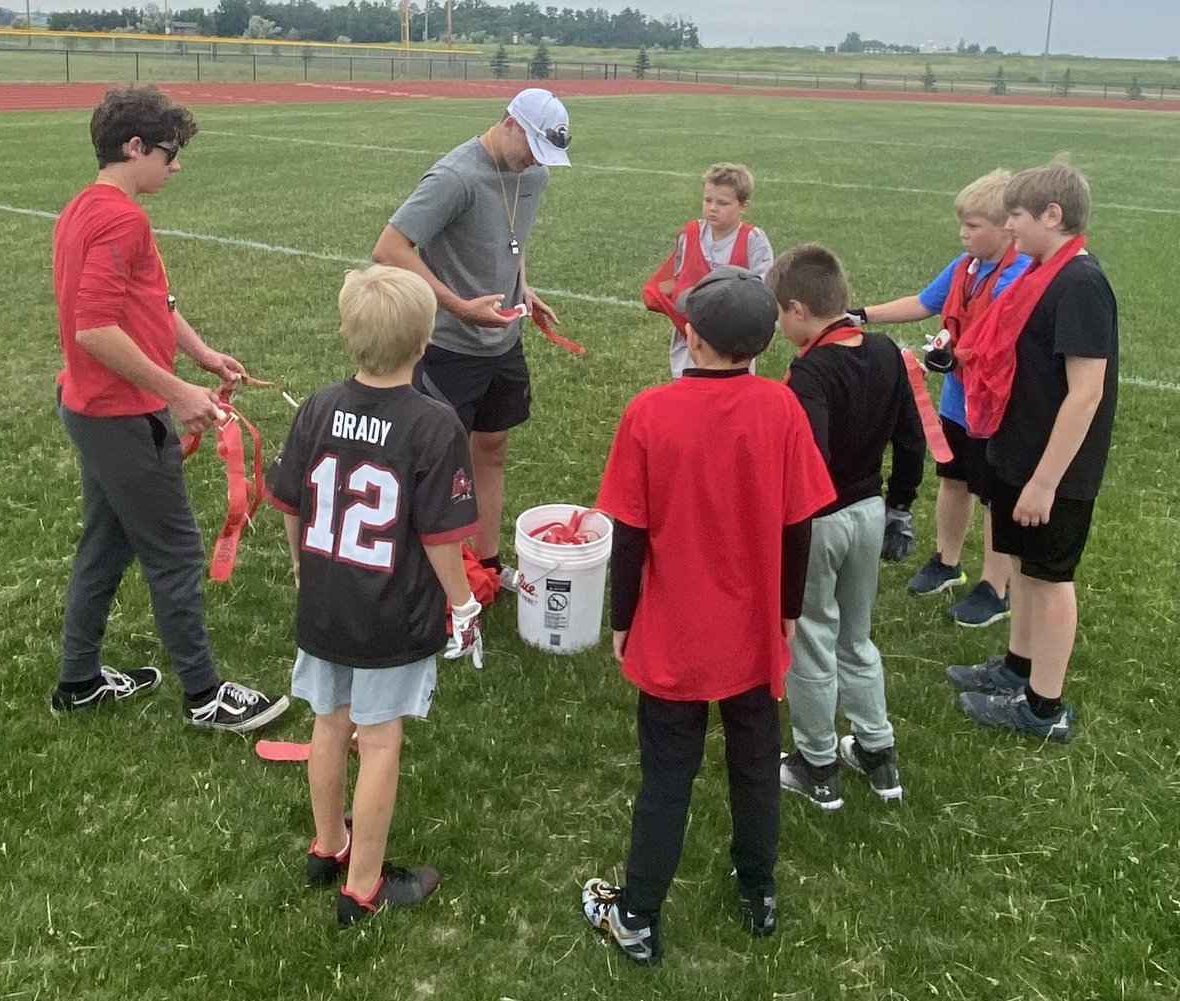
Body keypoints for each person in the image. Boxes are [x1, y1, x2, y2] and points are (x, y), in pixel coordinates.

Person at [581, 266, 835, 965]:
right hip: (753, 635)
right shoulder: (781, 408)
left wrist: (622, 618)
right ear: (761, 344)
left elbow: (629, 534)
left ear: (690, 337)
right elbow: (799, 526)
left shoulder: (649, 412)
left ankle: (637, 914)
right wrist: (787, 610)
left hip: (674, 634)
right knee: (754, 765)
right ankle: (759, 890)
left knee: (667, 775)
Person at [49, 84, 288, 732]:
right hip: (120, 416)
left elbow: (151, 299)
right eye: (168, 153)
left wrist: (203, 355)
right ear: (134, 148)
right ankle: (206, 696)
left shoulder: (88, 207)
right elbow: (96, 328)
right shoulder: (121, 218)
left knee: (105, 544)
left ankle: (79, 680)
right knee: (176, 552)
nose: (175, 166)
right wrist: (179, 392)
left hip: (92, 409)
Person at [263, 265, 484, 925]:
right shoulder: (434, 424)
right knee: (380, 739)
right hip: (392, 608)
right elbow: (442, 537)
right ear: (423, 345)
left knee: (330, 722)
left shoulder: (318, 405)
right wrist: (465, 604)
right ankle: (362, 886)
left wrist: (301, 564)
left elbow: (287, 500)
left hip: (327, 601)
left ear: (348, 335)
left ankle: (328, 841)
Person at [371, 87, 571, 589]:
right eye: (531, 148)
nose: (533, 163)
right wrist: (458, 306)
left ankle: (484, 564)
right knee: (437, 461)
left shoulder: (534, 174)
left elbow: (513, 240)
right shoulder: (455, 178)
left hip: (502, 338)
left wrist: (525, 288)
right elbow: (390, 248)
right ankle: (423, 574)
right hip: (449, 347)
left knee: (494, 445)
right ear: (509, 123)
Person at [947, 162, 1117, 743]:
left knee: (1048, 576)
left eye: (1017, 216)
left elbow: (1086, 391)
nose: (1010, 227)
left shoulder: (1081, 284)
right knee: (1021, 564)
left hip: (1056, 468)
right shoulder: (1043, 274)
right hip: (1018, 450)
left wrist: (1046, 481)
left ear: (1053, 215)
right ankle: (1017, 667)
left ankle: (1044, 708)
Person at [766, 245, 925, 810]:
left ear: (799, 309)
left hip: (821, 519)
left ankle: (817, 763)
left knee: (812, 638)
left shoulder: (810, 371)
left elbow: (809, 456)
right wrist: (900, 505)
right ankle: (878, 753)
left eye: (778, 313)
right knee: (856, 638)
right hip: (870, 513)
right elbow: (911, 437)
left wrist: (790, 519)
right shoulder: (885, 352)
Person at [850, 170, 1030, 628]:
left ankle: (996, 587)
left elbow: (999, 339)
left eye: (973, 226)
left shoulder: (1019, 275)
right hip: (958, 404)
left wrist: (957, 357)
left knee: (992, 497)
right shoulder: (964, 266)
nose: (963, 234)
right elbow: (926, 301)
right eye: (962, 224)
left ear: (1007, 227)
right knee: (953, 481)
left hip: (995, 409)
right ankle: (947, 562)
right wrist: (862, 315)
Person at [643, 162, 775, 379]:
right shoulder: (691, 234)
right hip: (692, 329)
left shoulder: (753, 240)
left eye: (723, 203)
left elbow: (763, 289)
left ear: (743, 206)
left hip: (733, 332)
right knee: (688, 384)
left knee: (732, 385)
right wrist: (658, 294)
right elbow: (677, 275)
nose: (713, 208)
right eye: (708, 200)